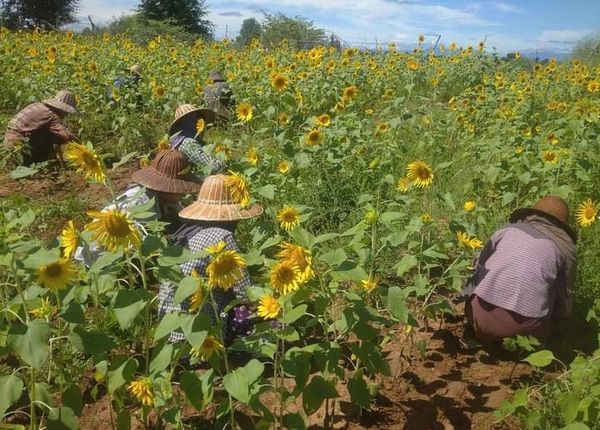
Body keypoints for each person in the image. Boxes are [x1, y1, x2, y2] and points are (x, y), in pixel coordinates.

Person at [158, 173, 263, 344]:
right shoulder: (223, 236)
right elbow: (244, 291)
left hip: (170, 327)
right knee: (263, 323)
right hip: (199, 336)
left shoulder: (186, 231)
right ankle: (242, 348)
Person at [463, 196, 577, 342]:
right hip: (522, 329)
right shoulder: (565, 248)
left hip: (476, 314)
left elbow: (479, 267)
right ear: (563, 224)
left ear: (532, 214)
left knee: (483, 264)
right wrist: (561, 322)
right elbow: (565, 296)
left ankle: (477, 330)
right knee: (555, 284)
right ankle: (531, 342)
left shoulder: (507, 230)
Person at [75, 149, 201, 264]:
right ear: (168, 189)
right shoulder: (141, 205)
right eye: (180, 189)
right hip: (95, 260)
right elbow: (137, 248)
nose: (184, 193)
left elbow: (182, 216)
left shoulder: (165, 198)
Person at [3, 90, 79, 165]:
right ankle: (44, 159)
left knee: (47, 130)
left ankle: (48, 158)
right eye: (66, 112)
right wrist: (81, 146)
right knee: (55, 135)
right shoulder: (52, 115)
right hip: (21, 148)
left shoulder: (37, 105)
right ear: (62, 109)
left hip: (8, 143)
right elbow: (66, 136)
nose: (66, 115)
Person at [169, 103, 226, 176]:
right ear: (189, 121)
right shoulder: (188, 143)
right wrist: (226, 161)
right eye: (197, 118)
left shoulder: (178, 141)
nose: (200, 121)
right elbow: (212, 167)